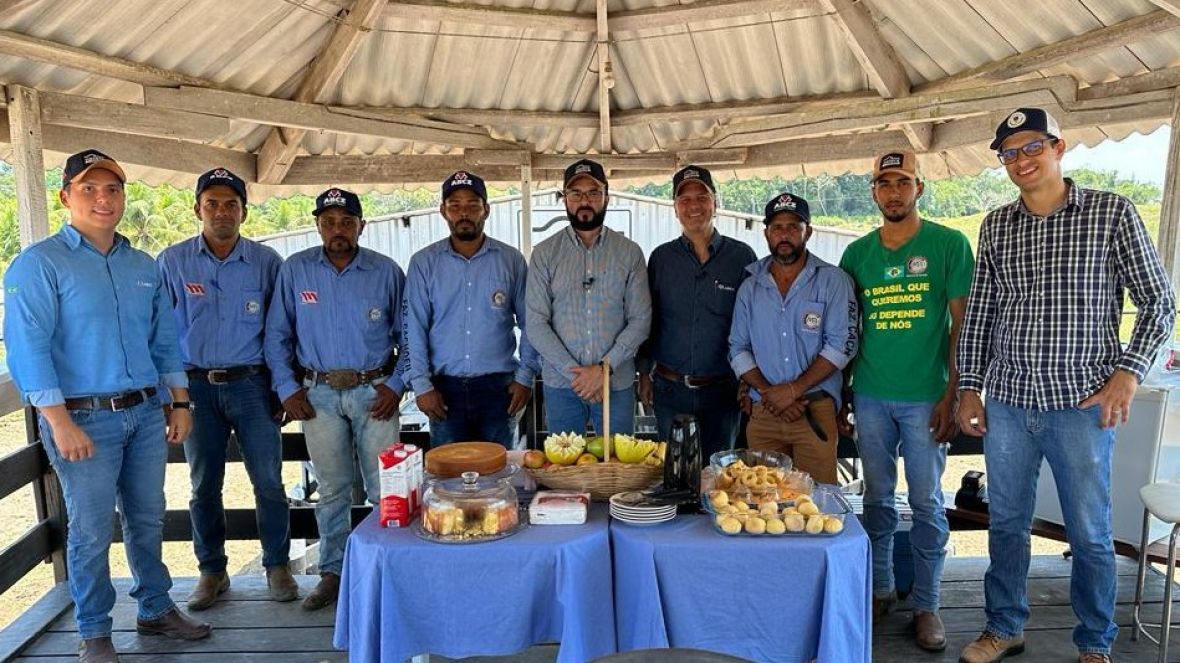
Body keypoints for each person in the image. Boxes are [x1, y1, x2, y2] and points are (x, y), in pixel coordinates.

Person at [956, 108, 1176, 663]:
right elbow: (982, 312)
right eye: (1009, 153)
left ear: (1059, 147)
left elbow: (1159, 302)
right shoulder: (997, 225)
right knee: (1006, 524)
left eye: (1032, 147)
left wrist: (1127, 374)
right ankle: (1004, 626)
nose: (1021, 160)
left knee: (1090, 533)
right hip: (1007, 400)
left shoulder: (1111, 214)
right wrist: (969, 386)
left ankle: (1094, 642)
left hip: (1080, 404)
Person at [4, 150, 211, 663]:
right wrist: (58, 421)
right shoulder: (40, 264)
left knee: (147, 518)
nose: (103, 198)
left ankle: (155, 609)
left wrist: (179, 401)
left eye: (112, 188)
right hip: (82, 418)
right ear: (65, 196)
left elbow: (164, 341)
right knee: (92, 528)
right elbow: (27, 347)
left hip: (145, 414)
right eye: (89, 188)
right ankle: (94, 630)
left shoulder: (142, 266)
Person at [838, 151, 974, 650]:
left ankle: (928, 604)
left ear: (919, 188)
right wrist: (847, 393)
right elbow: (849, 330)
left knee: (926, 503)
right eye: (883, 183)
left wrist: (953, 391)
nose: (893, 192)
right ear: (873, 191)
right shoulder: (857, 255)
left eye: (903, 182)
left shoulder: (948, 244)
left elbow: (965, 324)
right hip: (871, 395)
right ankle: (880, 589)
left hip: (926, 399)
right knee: (874, 500)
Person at [157, 168, 298, 611]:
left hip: (252, 386)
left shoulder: (267, 263)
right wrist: (170, 398)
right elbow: (159, 334)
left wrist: (282, 387)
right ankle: (212, 571)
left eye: (231, 204)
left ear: (244, 211)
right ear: (197, 208)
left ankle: (277, 565)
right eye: (212, 203)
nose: (222, 211)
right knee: (203, 486)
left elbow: (281, 332)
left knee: (270, 482)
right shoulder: (173, 262)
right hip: (195, 390)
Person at [264, 187, 407, 611]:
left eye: (347, 221)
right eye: (329, 222)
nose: (338, 229)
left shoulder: (386, 272)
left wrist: (397, 386)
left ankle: (389, 568)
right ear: (318, 225)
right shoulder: (295, 271)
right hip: (318, 395)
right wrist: (288, 389)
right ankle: (334, 573)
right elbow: (277, 336)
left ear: (361, 225)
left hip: (374, 391)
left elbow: (409, 338)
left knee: (388, 488)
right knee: (332, 490)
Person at [728, 192, 858, 485]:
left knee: (819, 504)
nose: (784, 234)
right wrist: (769, 392)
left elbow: (842, 345)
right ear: (766, 233)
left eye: (792, 227)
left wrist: (794, 390)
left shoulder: (834, 281)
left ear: (807, 231)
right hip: (764, 412)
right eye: (777, 228)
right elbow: (738, 347)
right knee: (762, 506)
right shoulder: (750, 287)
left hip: (815, 411)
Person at [404, 170, 539, 447]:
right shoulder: (424, 263)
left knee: (498, 475)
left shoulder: (510, 260)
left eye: (472, 205)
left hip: (498, 388)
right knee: (448, 480)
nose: (463, 213)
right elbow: (413, 328)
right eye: (455, 205)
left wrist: (525, 377)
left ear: (486, 210)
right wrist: (421, 385)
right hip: (443, 390)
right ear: (443, 211)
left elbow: (531, 323)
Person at [525, 159, 651, 436]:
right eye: (576, 193)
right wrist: (580, 376)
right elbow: (535, 323)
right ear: (565, 199)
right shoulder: (545, 254)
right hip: (563, 386)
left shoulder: (629, 253)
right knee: (565, 471)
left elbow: (640, 319)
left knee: (618, 472)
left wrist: (604, 369)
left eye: (593, 193)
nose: (585, 200)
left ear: (607, 197)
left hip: (616, 385)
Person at [638, 165, 756, 458]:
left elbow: (754, 324)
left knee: (720, 477)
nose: (694, 206)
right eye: (684, 199)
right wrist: (643, 373)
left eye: (701, 197)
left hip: (723, 391)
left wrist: (749, 380)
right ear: (675, 209)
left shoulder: (741, 257)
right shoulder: (661, 258)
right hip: (670, 390)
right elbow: (648, 320)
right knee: (674, 474)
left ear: (715, 203)